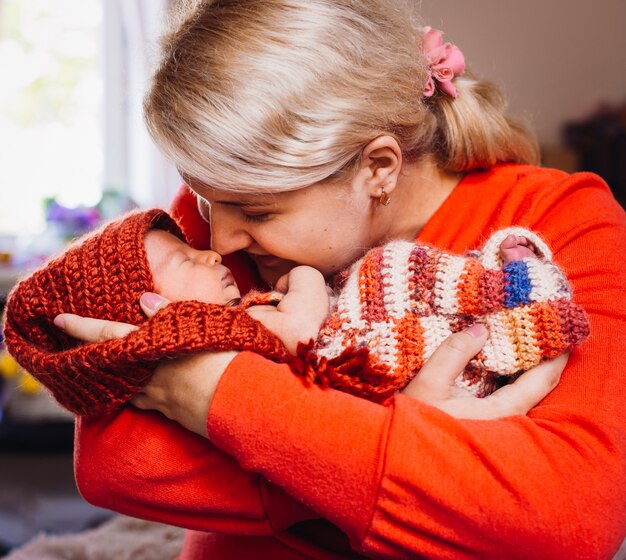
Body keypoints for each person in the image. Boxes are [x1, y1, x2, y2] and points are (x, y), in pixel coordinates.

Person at [47, 1, 626, 558]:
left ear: (379, 167)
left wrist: (213, 392)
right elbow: (115, 465)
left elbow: (564, 523)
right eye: (203, 196)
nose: (219, 242)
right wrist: (420, 449)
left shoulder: (566, 222)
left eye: (258, 212)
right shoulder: (219, 216)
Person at [3, 207, 587, 416]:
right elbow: (306, 331)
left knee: (397, 277)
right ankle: (510, 296)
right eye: (184, 260)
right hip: (365, 362)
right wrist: (305, 279)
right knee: (396, 279)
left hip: (365, 353)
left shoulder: (220, 329)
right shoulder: (211, 334)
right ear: (155, 312)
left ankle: (501, 288)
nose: (213, 250)